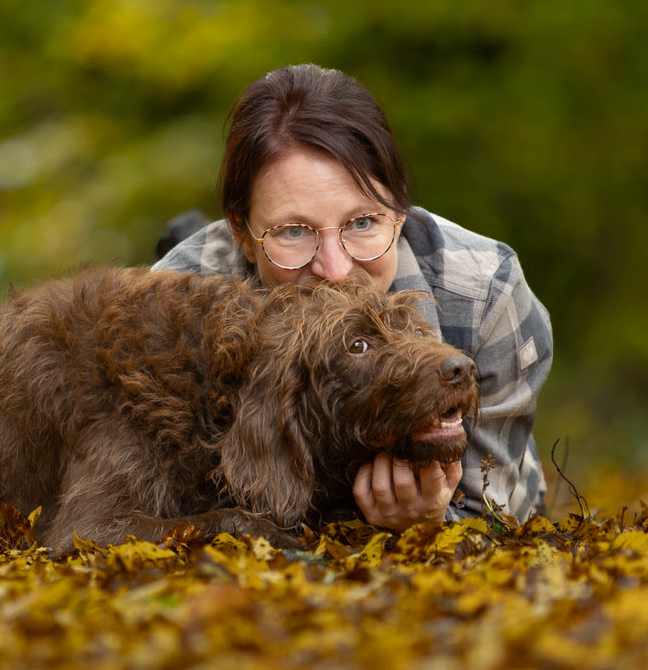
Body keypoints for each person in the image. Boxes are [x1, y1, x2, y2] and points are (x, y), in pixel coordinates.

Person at [154, 64, 553, 528]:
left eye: (362, 222)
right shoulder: (178, 301)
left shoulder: (486, 291)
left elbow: (491, 509)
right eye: (293, 232)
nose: (336, 271)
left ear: (400, 211)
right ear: (241, 233)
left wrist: (434, 525)